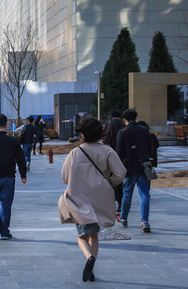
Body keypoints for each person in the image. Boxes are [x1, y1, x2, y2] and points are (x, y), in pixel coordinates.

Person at [58, 117, 126, 282]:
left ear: (82, 134)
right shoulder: (107, 150)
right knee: (93, 235)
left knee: (82, 236)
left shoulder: (75, 152)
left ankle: (89, 257)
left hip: (79, 199)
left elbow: (65, 177)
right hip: (100, 199)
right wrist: (109, 183)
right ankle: (92, 269)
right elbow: (120, 173)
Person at [116, 109, 155, 232]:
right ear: (136, 117)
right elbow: (151, 149)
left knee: (127, 194)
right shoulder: (145, 131)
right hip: (144, 166)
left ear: (124, 120)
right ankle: (145, 221)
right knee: (144, 194)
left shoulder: (122, 132)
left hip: (129, 167)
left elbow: (119, 153)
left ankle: (123, 218)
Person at [103, 111, 125, 213]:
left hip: (110, 159)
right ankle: (121, 204)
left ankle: (111, 203)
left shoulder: (109, 125)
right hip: (122, 159)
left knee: (111, 182)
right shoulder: (123, 127)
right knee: (120, 183)